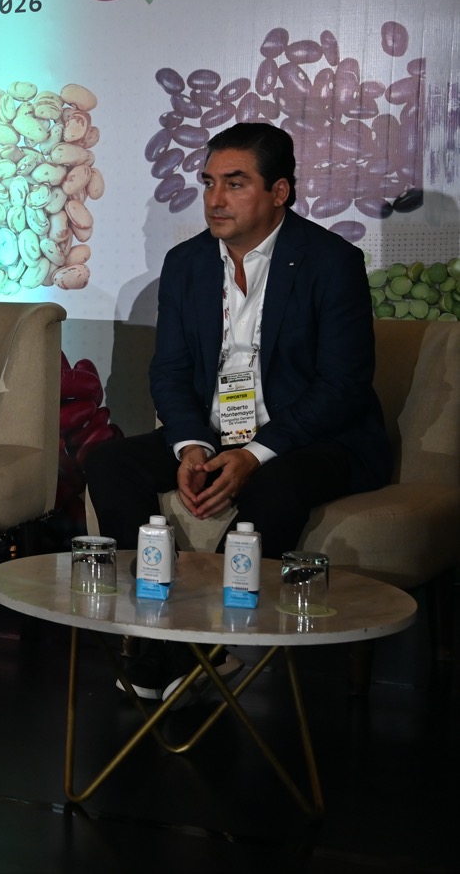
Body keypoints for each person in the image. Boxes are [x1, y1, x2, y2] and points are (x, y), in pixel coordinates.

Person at [85, 121, 389, 699]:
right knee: (109, 462)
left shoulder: (330, 262)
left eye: (235, 183)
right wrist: (190, 445)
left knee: (276, 482)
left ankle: (203, 641)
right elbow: (170, 372)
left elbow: (343, 386)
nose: (215, 199)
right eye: (209, 183)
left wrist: (254, 454)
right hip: (217, 431)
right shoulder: (187, 263)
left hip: (314, 439)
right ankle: (157, 625)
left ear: (280, 192)